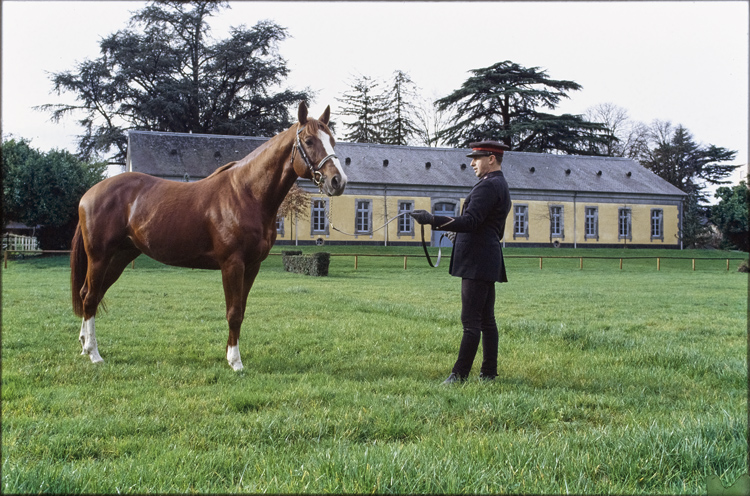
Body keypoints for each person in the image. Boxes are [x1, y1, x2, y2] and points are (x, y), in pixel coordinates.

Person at [410, 140, 512, 384]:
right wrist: (457, 233)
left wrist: (432, 219)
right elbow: (483, 225)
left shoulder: (488, 186)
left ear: (491, 159)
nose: (472, 163)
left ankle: (459, 375)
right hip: (486, 257)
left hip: (477, 260)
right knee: (487, 320)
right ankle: (488, 373)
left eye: (477, 158)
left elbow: (471, 221)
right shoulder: (499, 184)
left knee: (471, 322)